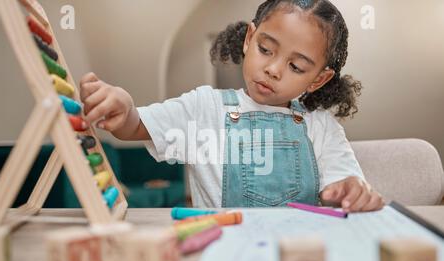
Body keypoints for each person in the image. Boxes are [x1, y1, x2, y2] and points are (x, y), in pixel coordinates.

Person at [79, 0, 385, 212]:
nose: (274, 69)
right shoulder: (204, 108)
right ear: (249, 39)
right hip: (219, 255)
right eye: (266, 49)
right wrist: (124, 109)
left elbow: (343, 187)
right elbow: (134, 126)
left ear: (318, 79)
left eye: (296, 67)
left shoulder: (321, 126)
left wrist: (351, 192)